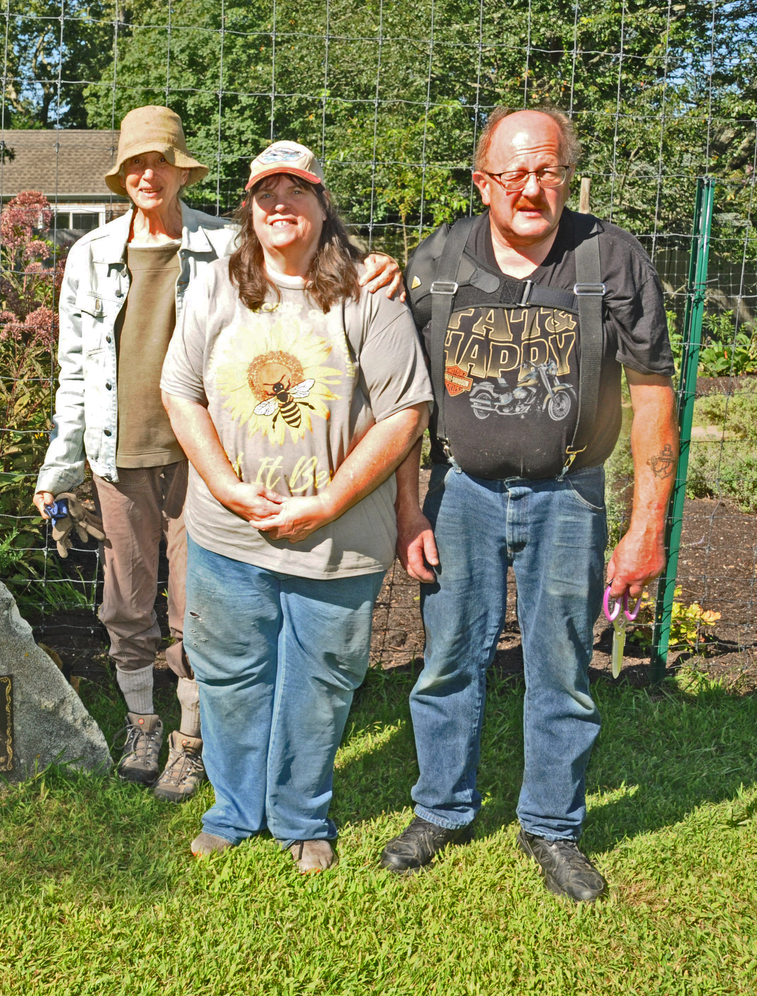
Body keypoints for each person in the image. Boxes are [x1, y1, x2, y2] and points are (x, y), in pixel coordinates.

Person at [33, 107, 401, 803]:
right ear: (121, 176)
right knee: (125, 601)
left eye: (160, 162)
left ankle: (192, 738)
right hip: (120, 454)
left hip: (214, 460)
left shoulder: (225, 242)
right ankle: (143, 721)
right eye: (135, 164)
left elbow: (311, 268)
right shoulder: (90, 256)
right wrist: (59, 466)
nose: (148, 175)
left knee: (196, 609)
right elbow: (74, 370)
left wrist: (378, 265)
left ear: (182, 170)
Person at [380, 108, 677, 902]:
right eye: (512, 173)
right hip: (460, 494)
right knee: (446, 661)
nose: (530, 188)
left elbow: (652, 395)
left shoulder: (611, 258)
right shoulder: (437, 260)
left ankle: (553, 827)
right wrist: (409, 512)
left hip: (569, 494)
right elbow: (404, 402)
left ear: (566, 177)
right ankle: (441, 809)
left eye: (547, 170)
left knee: (562, 667)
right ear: (483, 182)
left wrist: (647, 528)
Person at [161, 141, 432, 870]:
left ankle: (302, 815)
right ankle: (232, 809)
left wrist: (328, 501)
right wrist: (222, 485)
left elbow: (405, 411)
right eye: (265, 193)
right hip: (228, 533)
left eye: (297, 191)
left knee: (320, 678)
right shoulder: (216, 287)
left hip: (337, 539)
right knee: (227, 672)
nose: (281, 204)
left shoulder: (368, 296)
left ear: (321, 205)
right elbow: (178, 391)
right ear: (250, 210)